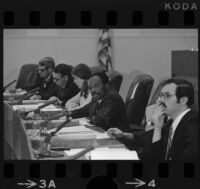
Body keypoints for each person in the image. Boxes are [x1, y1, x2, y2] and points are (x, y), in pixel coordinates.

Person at [107, 78, 198, 160]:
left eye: (166, 96)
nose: (160, 100)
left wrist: (157, 128)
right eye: (161, 95)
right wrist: (126, 135)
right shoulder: (174, 122)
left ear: (183, 100)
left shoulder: (193, 125)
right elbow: (150, 138)